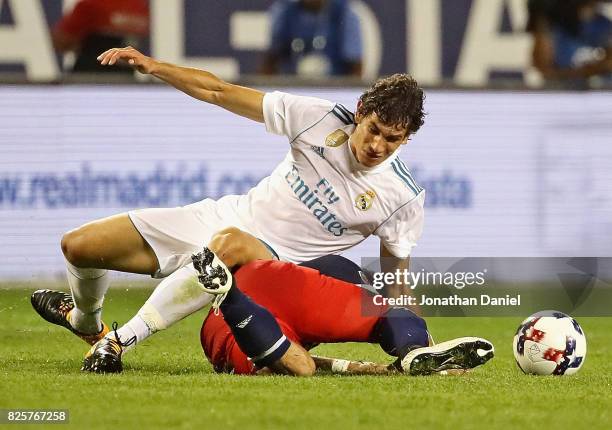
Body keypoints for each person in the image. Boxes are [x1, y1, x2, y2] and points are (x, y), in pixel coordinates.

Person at [31, 46, 426, 372]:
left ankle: (117, 343)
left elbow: (396, 283)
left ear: (406, 140)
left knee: (231, 244)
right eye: (373, 129)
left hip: (273, 267)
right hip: (227, 217)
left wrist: (418, 343)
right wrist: (154, 66)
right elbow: (219, 91)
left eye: (392, 139)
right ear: (360, 111)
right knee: (79, 245)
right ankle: (86, 323)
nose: (377, 146)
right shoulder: (317, 118)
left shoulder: (402, 197)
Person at [83, 247, 494, 375]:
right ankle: (411, 349)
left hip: (265, 278)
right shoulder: (340, 275)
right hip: (288, 284)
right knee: (395, 319)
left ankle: (230, 297)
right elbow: (341, 274)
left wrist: (356, 368)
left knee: (296, 362)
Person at [260, 0, 363, 77]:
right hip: (292, 90)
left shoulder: (345, 13)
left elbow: (356, 67)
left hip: (333, 90)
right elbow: (270, 61)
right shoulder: (284, 11)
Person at [52, 0, 149, 74]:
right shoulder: (140, 8)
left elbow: (61, 41)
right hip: (124, 79)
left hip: (90, 76)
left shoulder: (92, 4)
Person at [526, 0, 612, 82]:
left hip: (600, 93)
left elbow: (608, 64)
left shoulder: (605, 25)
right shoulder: (549, 26)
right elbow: (544, 71)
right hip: (561, 93)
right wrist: (589, 70)